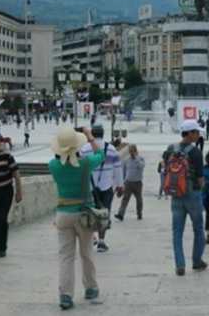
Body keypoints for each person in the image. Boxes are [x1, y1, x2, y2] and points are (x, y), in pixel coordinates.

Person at [48, 127, 103, 310]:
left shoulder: (53, 165)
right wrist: (90, 136)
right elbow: (100, 154)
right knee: (86, 253)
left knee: (65, 256)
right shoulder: (86, 163)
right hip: (83, 214)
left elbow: (60, 159)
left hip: (63, 214)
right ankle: (91, 288)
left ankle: (65, 295)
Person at [163, 119, 208, 276]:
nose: (198, 135)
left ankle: (180, 265)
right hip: (192, 195)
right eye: (196, 132)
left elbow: (164, 168)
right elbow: (201, 179)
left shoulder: (170, 149)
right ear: (189, 133)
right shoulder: (195, 152)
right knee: (198, 228)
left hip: (175, 194)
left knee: (177, 231)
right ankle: (197, 261)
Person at [79, 125, 123, 253]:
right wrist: (120, 185)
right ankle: (102, 241)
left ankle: (92, 237)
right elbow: (118, 169)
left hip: (89, 187)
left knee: (90, 212)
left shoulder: (85, 149)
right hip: (106, 186)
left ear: (92, 133)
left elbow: (80, 168)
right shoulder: (111, 149)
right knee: (104, 214)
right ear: (103, 134)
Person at [115, 144, 145, 221]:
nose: (131, 153)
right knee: (125, 199)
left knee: (139, 200)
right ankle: (120, 214)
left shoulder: (141, 159)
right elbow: (123, 172)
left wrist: (136, 158)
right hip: (128, 183)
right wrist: (121, 184)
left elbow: (141, 166)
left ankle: (139, 213)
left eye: (132, 151)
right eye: (130, 151)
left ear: (136, 151)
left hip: (138, 183)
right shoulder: (126, 160)